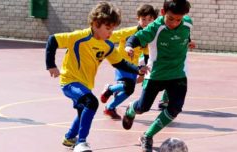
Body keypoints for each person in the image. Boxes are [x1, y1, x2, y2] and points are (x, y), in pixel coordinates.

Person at [45, 2, 146, 152]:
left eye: (113, 29)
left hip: (85, 84)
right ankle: (81, 142)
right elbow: (53, 40)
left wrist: (137, 69)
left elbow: (120, 62)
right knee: (91, 102)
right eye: (108, 28)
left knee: (83, 111)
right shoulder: (79, 37)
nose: (111, 33)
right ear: (95, 24)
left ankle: (69, 138)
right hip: (69, 81)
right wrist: (51, 65)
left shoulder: (108, 45)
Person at [122, 0, 193, 151]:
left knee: (175, 108)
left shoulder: (187, 23)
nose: (174, 23)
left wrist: (189, 42)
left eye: (178, 19)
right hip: (155, 74)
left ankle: (147, 135)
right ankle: (131, 109)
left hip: (177, 74)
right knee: (143, 107)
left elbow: (185, 35)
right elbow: (135, 37)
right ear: (162, 13)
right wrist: (129, 46)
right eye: (170, 18)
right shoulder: (155, 27)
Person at [99, 4, 159, 120]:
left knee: (130, 90)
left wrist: (147, 66)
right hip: (121, 62)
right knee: (128, 85)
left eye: (150, 20)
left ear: (154, 20)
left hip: (134, 66)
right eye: (143, 19)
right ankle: (110, 89)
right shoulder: (129, 31)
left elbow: (146, 52)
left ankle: (110, 108)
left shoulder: (148, 36)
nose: (146, 22)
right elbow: (110, 36)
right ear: (138, 19)